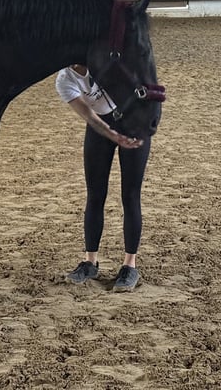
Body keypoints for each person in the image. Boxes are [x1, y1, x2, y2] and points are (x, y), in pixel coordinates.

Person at [55, 64, 153, 292]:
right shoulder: (64, 80)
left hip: (133, 122)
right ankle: (90, 262)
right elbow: (88, 114)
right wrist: (112, 134)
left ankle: (129, 265)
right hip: (99, 127)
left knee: (130, 195)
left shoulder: (104, 60)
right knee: (95, 195)